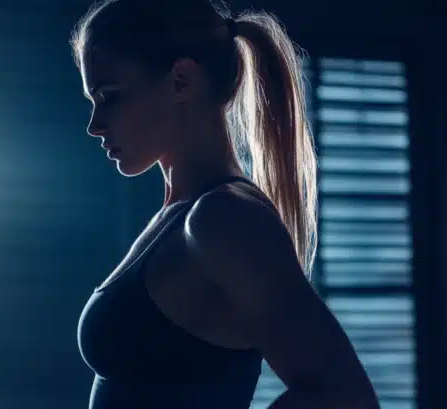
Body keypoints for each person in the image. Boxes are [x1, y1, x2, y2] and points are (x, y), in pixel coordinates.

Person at [71, 1, 380, 408]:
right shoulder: (180, 214)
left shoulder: (223, 218)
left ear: (181, 80)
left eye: (108, 97)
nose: (94, 125)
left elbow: (344, 395)